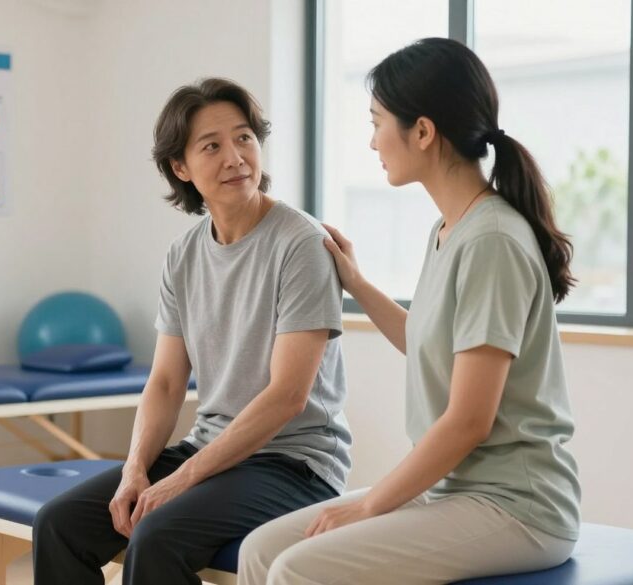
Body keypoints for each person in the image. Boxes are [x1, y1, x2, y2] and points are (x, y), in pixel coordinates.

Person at [238, 37, 581, 585]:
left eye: (377, 122)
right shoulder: (449, 228)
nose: (372, 141)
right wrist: (357, 283)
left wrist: (371, 504)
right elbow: (427, 339)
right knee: (260, 551)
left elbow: (470, 419)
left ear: (422, 131)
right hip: (455, 489)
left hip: (517, 505)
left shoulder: (491, 239)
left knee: (298, 570)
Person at [32, 78, 353, 585]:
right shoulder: (183, 255)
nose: (236, 157)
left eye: (245, 138)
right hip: (210, 449)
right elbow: (164, 383)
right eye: (212, 146)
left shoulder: (301, 244)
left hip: (294, 465)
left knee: (157, 534)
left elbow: (289, 396)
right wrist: (136, 468)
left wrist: (180, 479)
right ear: (180, 167)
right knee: (59, 525)